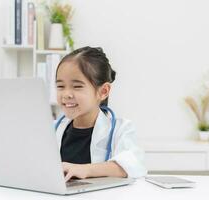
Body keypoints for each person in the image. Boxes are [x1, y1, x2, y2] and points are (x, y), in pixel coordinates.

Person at [55, 46, 147, 182]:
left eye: (77, 86)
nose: (66, 94)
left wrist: (84, 169)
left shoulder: (120, 129)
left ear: (103, 91)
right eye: (61, 86)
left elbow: (133, 165)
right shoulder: (53, 129)